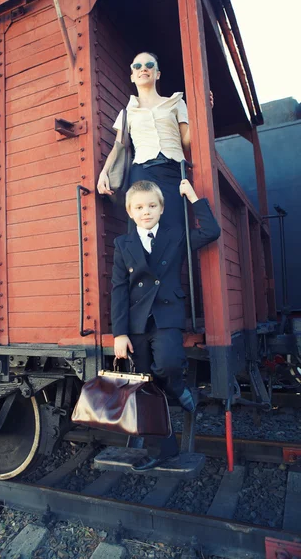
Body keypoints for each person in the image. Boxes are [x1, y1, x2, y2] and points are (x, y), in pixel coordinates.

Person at [111, 179, 220, 471]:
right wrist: (119, 333)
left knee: (169, 365)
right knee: (146, 387)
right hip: (136, 323)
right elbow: (119, 289)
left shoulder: (175, 235)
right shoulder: (123, 244)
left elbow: (211, 231)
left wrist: (193, 196)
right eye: (139, 207)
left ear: (161, 208)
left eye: (151, 206)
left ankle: (179, 387)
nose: (145, 212)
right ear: (130, 212)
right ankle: (165, 448)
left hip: (167, 315)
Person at [97, 51, 213, 229]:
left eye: (149, 65)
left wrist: (203, 112)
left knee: (175, 225)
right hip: (142, 173)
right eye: (137, 66)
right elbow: (118, 146)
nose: (143, 69)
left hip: (173, 172)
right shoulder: (127, 112)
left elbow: (187, 141)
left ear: (157, 74)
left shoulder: (175, 103)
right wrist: (104, 173)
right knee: (143, 227)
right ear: (132, 76)